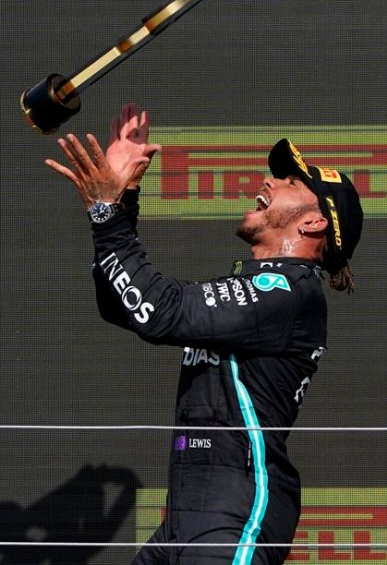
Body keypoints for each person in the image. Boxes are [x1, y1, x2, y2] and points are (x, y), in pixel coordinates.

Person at [45, 103, 363, 565]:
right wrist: (122, 197)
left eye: (291, 182)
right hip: (187, 508)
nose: (268, 181)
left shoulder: (288, 292)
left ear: (313, 223)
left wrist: (107, 209)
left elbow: (157, 312)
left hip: (236, 505)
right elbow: (126, 304)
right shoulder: (259, 288)